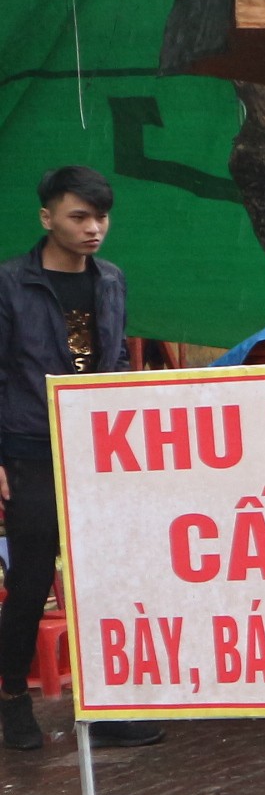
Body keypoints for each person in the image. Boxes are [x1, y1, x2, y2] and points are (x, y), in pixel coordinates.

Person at [0, 167, 154, 752]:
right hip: (31, 447)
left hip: (97, 450)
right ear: (47, 218)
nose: (94, 229)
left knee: (105, 579)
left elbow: (113, 359)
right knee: (34, 575)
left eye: (101, 217)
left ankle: (106, 705)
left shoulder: (110, 279)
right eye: (79, 217)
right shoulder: (11, 283)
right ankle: (14, 695)